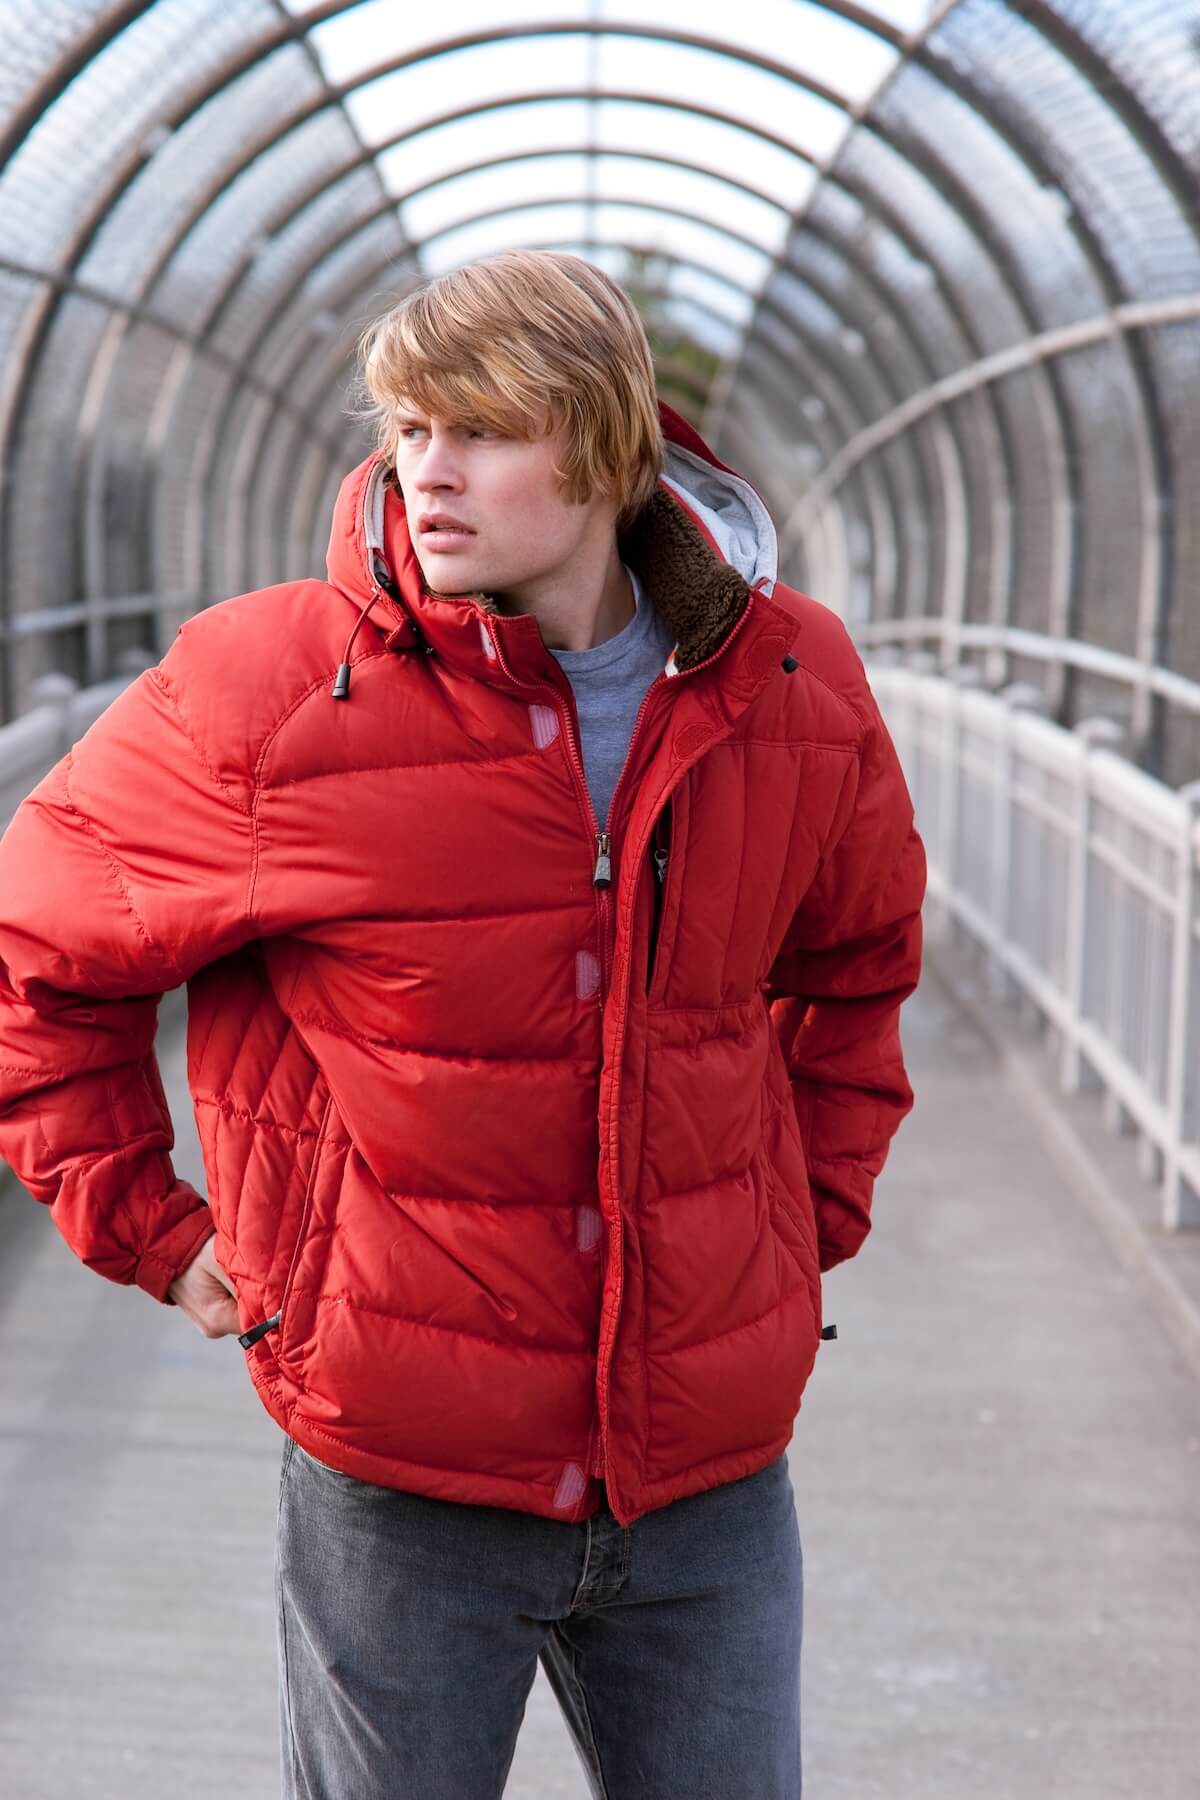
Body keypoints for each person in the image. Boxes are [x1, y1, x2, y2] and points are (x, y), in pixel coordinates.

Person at [0, 248, 926, 1798]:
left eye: (480, 428)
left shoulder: (790, 681)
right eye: (408, 428)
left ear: (609, 442)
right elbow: (37, 950)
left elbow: (863, 966)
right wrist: (150, 1227)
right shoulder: (272, 691)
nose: (428, 469)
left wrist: (800, 1218)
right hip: (401, 1475)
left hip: (706, 1476)